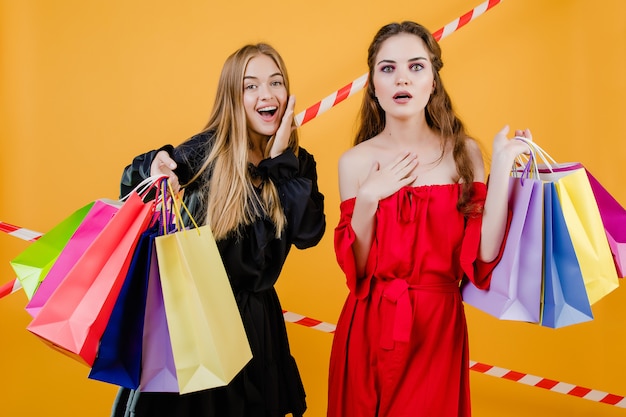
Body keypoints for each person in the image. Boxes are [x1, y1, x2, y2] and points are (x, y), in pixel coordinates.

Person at [326, 21, 530, 417]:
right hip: (368, 326)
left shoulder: (464, 152)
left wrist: (502, 165)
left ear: (433, 81)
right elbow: (360, 270)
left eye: (416, 66)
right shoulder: (354, 162)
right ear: (372, 83)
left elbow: (483, 256)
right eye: (388, 68)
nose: (402, 78)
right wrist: (368, 196)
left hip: (437, 328)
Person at [112, 43, 326, 417]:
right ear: (232, 96)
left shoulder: (296, 163)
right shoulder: (205, 152)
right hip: (198, 326)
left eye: (276, 82)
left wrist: (280, 165)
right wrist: (154, 165)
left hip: (258, 328)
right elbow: (132, 190)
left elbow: (309, 233)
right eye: (251, 86)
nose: (267, 94)